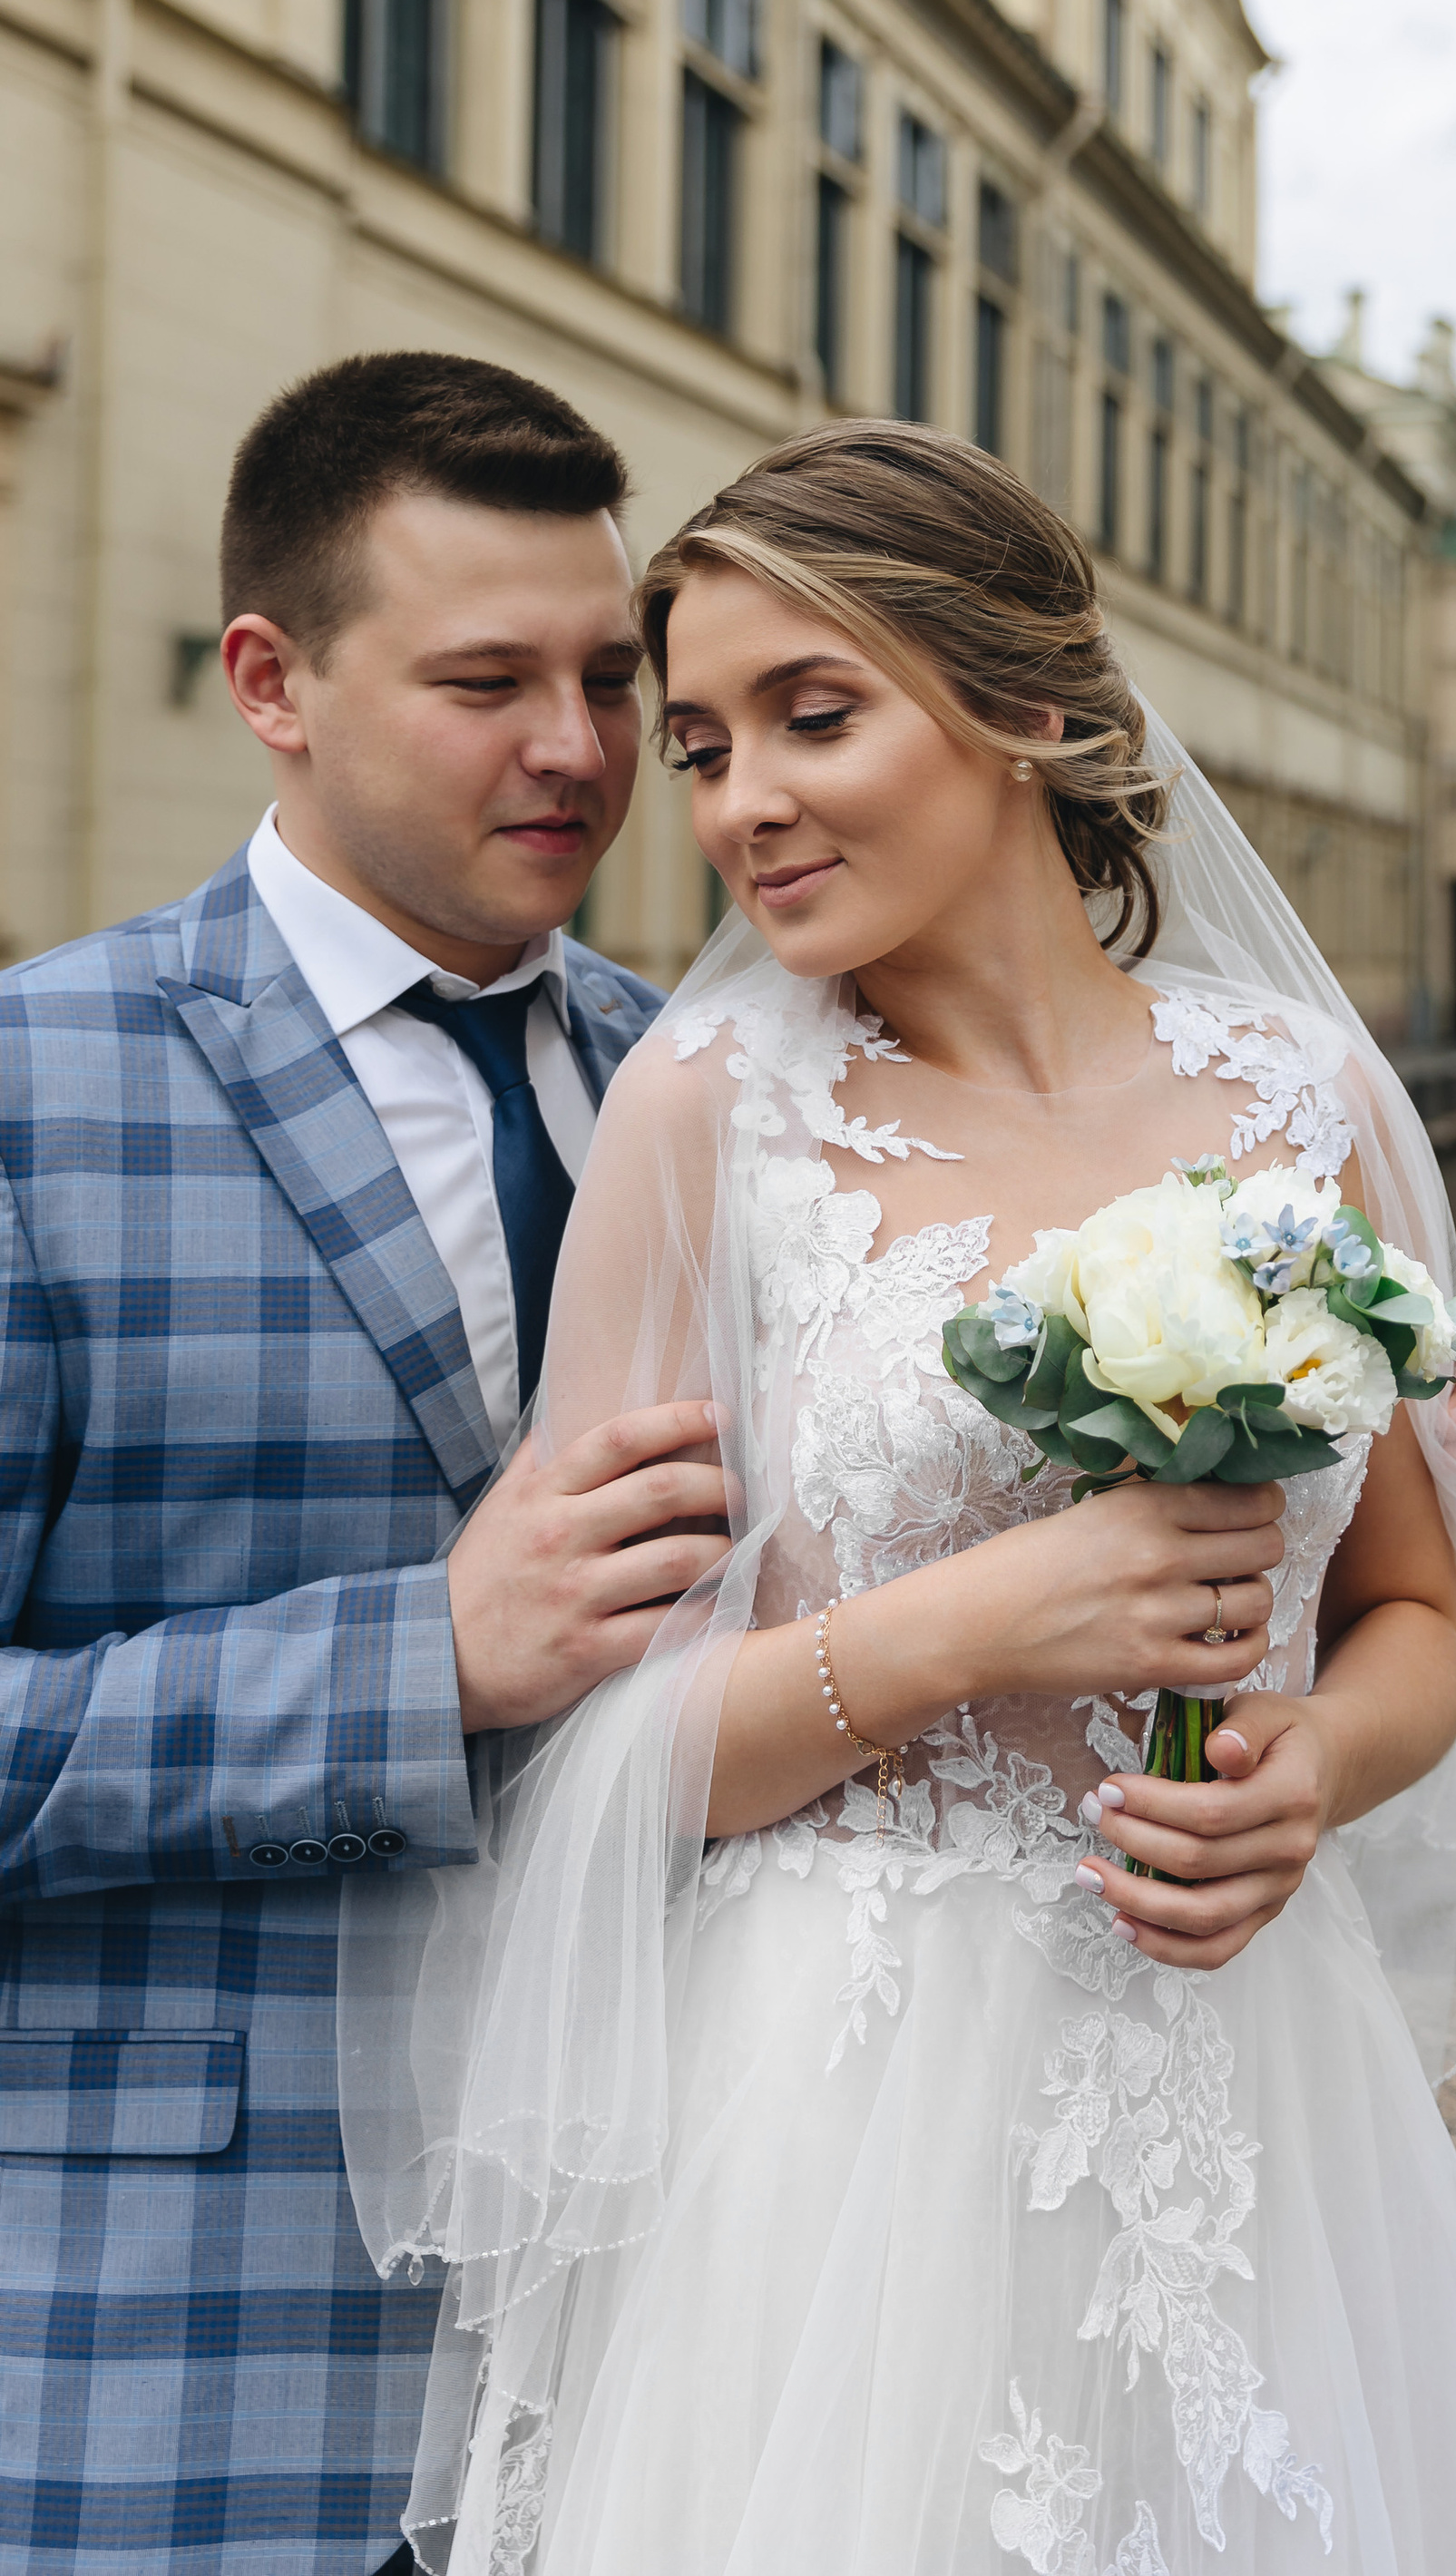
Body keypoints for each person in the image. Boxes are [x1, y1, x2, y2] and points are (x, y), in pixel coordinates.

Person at [353, 424, 1456, 2576]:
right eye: (704, 742)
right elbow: (602, 1757)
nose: (741, 800)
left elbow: (1417, 1604)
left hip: (1253, 2095)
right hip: (840, 2128)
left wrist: (1312, 1763)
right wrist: (970, 1626)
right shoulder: (704, 1118)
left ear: (1030, 707)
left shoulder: (1308, 1096)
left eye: (812, 715)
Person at [0, 356, 738, 2576]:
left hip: (688, 2333)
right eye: (484, 681)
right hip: (183, 2362)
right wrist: (415, 1663)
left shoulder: (719, 1083)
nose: (580, 751)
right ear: (272, 683)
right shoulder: (34, 1096)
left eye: (612, 677)